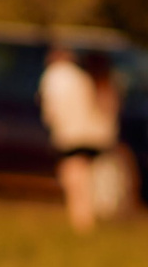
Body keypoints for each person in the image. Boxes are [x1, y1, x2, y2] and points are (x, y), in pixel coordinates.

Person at [41, 45, 121, 230]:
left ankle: (82, 221)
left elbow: (51, 111)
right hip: (95, 135)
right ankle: (86, 218)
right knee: (85, 176)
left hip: (72, 135)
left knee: (74, 175)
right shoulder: (88, 78)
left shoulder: (57, 77)